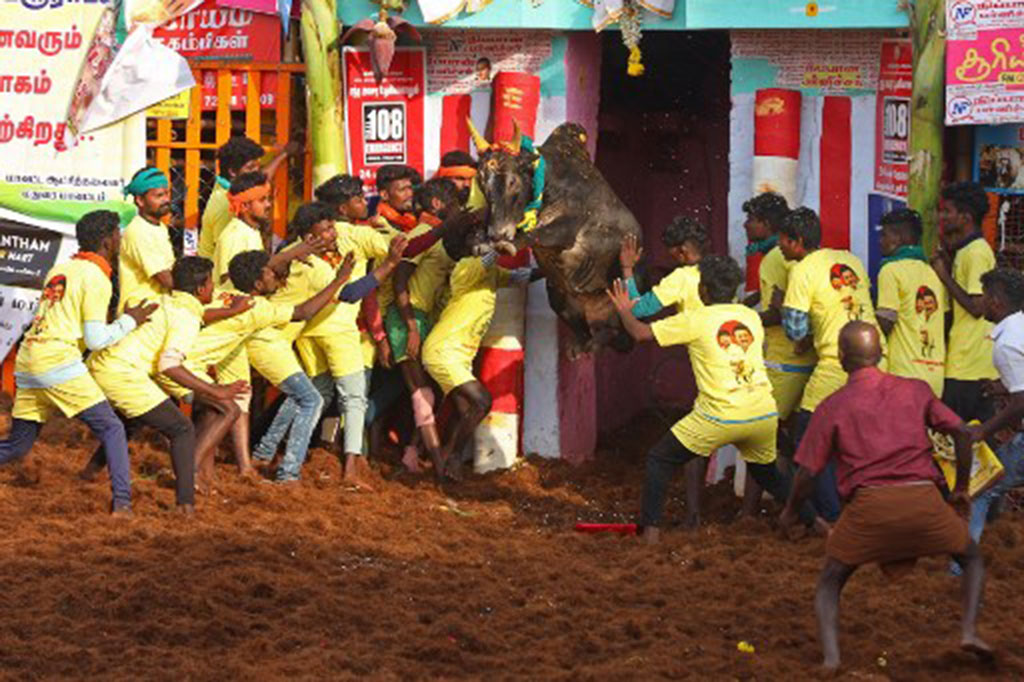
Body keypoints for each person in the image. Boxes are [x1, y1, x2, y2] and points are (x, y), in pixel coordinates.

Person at [780, 321, 989, 671]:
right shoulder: (915, 389)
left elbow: (807, 474)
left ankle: (832, 659)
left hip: (868, 511)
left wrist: (790, 510)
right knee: (972, 558)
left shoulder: (831, 406)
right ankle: (968, 631)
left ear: (843, 359)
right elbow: (962, 434)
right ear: (880, 354)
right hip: (925, 503)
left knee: (831, 580)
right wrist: (961, 490)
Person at [608, 255, 811, 542]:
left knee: (659, 458)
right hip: (763, 412)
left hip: (719, 415)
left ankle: (650, 536)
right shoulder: (749, 316)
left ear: (703, 290)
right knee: (769, 476)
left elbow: (640, 333)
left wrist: (625, 310)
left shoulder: (695, 319)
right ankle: (823, 526)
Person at [0, 211, 156, 514]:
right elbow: (96, 339)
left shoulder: (62, 267)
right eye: (118, 234)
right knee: (113, 428)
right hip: (56, 361)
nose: (121, 239)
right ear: (108, 240)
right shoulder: (97, 277)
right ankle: (123, 504)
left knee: (17, 446)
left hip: (30, 359)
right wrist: (130, 321)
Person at [255, 204, 406, 486]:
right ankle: (341, 470)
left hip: (301, 335)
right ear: (307, 236)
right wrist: (389, 265)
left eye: (331, 226)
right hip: (311, 335)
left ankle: (264, 452)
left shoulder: (296, 252)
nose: (331, 234)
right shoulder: (311, 266)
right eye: (324, 230)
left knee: (309, 396)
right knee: (348, 399)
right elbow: (349, 294)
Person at [182, 248, 357, 489]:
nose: (275, 276)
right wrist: (340, 279)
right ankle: (285, 474)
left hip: (188, 364)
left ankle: (205, 474)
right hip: (185, 369)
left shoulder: (223, 293)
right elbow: (304, 312)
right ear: (257, 282)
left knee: (214, 413)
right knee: (229, 410)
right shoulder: (257, 307)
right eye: (270, 273)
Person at [83, 257, 248, 512]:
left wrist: (231, 311)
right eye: (211, 285)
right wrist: (214, 390)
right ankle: (185, 506)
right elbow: (169, 365)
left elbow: (196, 316)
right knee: (182, 429)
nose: (213, 290)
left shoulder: (164, 301)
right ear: (201, 289)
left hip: (101, 365)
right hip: (120, 373)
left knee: (133, 419)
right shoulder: (186, 317)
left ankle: (88, 474)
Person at [781, 207, 884, 522]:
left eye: (783, 241)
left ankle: (833, 516)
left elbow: (795, 329)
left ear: (797, 241)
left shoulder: (802, 270)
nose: (779, 247)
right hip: (879, 357)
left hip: (838, 366)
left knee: (807, 440)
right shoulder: (849, 259)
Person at [422, 245, 532, 480]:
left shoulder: (492, 273)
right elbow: (484, 262)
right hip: (444, 351)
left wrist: (551, 268)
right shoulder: (465, 268)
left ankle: (444, 465)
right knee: (482, 402)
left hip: (458, 355)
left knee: (464, 411)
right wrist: (498, 248)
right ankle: (452, 459)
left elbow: (520, 277)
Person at [390, 178, 466, 475]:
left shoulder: (440, 237)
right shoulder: (422, 234)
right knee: (423, 393)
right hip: (407, 318)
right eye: (455, 206)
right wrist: (410, 327)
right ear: (437, 204)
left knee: (430, 390)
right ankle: (438, 467)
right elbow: (399, 281)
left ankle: (412, 457)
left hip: (425, 318)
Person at [960, 268, 1024, 543]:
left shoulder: (1006, 344)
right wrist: (1002, 385)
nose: (981, 301)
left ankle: (961, 569)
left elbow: (1021, 402)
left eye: (984, 296)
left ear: (996, 302)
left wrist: (983, 431)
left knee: (982, 489)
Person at [932, 182, 998, 422]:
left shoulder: (976, 253)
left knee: (953, 436)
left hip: (968, 362)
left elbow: (977, 308)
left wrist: (944, 275)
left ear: (965, 217)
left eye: (947, 211)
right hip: (969, 361)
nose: (942, 217)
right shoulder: (967, 250)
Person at [876, 208, 946, 397]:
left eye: (884, 235)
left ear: (898, 238)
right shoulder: (932, 272)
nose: (880, 241)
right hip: (935, 375)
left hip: (904, 375)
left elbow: (885, 321)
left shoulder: (891, 270)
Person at [199, 135, 298, 261]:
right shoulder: (226, 205)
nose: (257, 172)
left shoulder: (230, 187)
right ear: (233, 172)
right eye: (251, 168)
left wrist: (284, 154)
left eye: (258, 166)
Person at [619, 216, 707, 319]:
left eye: (672, 255)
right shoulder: (721, 268)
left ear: (682, 251)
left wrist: (627, 267)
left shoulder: (681, 278)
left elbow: (638, 309)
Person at [119, 167, 175, 312]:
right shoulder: (138, 231)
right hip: (139, 311)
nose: (166, 200)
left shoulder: (160, 227)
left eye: (167, 194)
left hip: (159, 307)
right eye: (159, 196)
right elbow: (166, 279)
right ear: (140, 200)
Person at [375, 164, 420, 233]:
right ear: (384, 195)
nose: (410, 194)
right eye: (402, 190)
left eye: (410, 188)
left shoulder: (415, 217)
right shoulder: (379, 225)